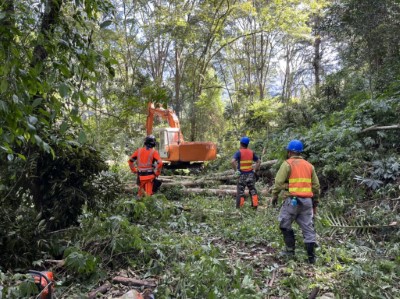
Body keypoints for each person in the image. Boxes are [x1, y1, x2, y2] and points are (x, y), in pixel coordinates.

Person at [271, 139, 320, 264]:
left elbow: (278, 183)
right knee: (308, 228)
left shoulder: (287, 164)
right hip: (307, 201)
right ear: (300, 152)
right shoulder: (310, 166)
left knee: (284, 224)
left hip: (292, 200)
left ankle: (290, 251)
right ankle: (311, 258)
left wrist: (275, 196)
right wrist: (315, 201)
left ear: (289, 152)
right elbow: (316, 186)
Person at [231, 136, 261, 209]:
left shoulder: (239, 152)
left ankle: (240, 208)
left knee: (241, 192)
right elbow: (259, 161)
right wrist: (254, 170)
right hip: (250, 175)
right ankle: (255, 206)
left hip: (241, 175)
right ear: (247, 144)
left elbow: (232, 161)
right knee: (253, 191)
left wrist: (236, 171)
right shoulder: (251, 152)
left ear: (241, 144)